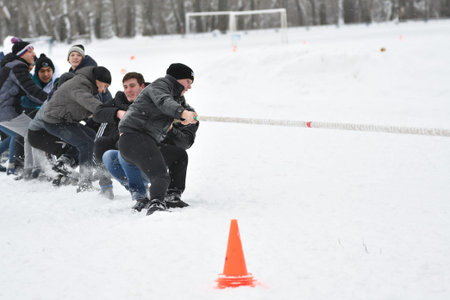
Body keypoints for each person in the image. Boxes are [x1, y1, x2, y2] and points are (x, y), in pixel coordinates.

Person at [118, 63, 198, 215]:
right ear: (178, 79)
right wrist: (182, 113)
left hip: (147, 141)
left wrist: (185, 118)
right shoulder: (160, 85)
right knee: (160, 176)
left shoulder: (178, 98)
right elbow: (163, 101)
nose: (189, 86)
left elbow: (175, 110)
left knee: (179, 156)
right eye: (188, 81)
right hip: (133, 138)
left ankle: (172, 196)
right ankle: (156, 203)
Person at [40, 66, 112, 192]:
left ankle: (67, 160)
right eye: (104, 86)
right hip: (54, 121)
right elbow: (89, 102)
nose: (104, 90)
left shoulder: (85, 83)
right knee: (86, 143)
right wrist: (111, 112)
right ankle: (84, 183)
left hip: (63, 119)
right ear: (97, 80)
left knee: (90, 135)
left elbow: (79, 106)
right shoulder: (81, 84)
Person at [103, 121, 198, 211]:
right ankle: (141, 196)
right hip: (136, 156)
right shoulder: (144, 110)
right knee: (110, 155)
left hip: (156, 163)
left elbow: (185, 143)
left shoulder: (187, 116)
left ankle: (169, 195)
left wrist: (170, 129)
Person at [92, 72, 146, 199]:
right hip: (118, 139)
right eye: (125, 87)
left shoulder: (151, 99)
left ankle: (141, 184)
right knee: (100, 143)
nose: (128, 90)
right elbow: (97, 114)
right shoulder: (119, 100)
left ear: (142, 86)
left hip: (142, 143)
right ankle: (106, 187)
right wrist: (117, 112)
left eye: (132, 86)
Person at [0, 41, 48, 179]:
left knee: (30, 133)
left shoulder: (12, 65)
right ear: (21, 54)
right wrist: (51, 99)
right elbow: (31, 91)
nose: (34, 54)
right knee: (35, 132)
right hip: (5, 110)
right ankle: (40, 169)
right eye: (29, 51)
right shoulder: (18, 66)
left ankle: (29, 170)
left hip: (6, 110)